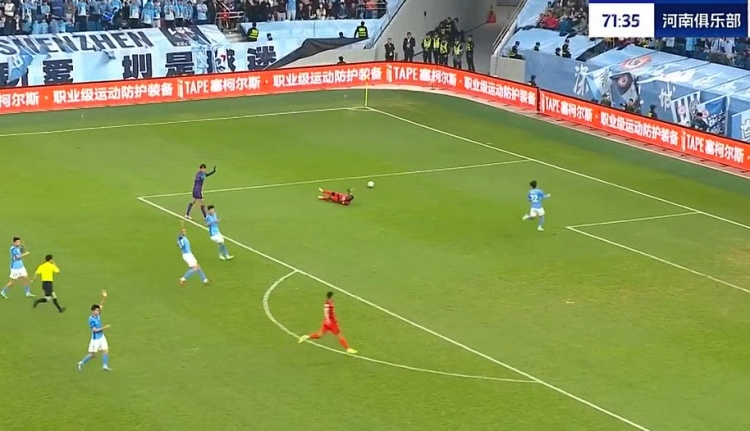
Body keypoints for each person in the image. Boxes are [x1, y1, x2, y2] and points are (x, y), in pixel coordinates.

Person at [77, 290, 112, 372]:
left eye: (98, 310)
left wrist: (104, 297)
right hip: (95, 340)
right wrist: (105, 327)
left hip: (101, 337)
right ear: (93, 311)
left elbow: (101, 305)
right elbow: (95, 330)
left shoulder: (97, 315)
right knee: (93, 355)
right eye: (97, 310)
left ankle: (105, 365)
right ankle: (81, 363)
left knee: (105, 350)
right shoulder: (91, 319)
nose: (98, 311)